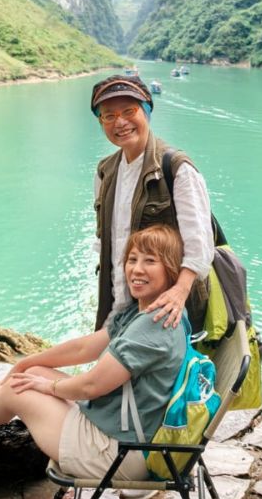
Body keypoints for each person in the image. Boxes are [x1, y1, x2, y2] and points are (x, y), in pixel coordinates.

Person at [0, 225, 188, 482]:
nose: (137, 269)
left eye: (150, 261)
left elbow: (91, 386)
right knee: (33, 373)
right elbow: (85, 348)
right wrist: (30, 361)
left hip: (118, 453)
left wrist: (49, 387)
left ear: (171, 270)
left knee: (18, 390)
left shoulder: (153, 325)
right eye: (132, 259)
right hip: (120, 431)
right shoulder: (149, 310)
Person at [87, 74, 214, 331]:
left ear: (146, 111)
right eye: (109, 116)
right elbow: (105, 241)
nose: (120, 122)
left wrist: (180, 291)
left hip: (167, 311)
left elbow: (200, 244)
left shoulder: (176, 168)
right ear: (101, 122)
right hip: (119, 306)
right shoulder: (105, 172)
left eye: (129, 111)